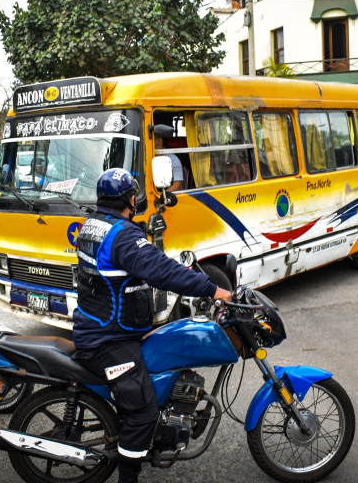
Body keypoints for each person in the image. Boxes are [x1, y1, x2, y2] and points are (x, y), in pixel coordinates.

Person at [72, 168, 232, 483]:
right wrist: (212, 289)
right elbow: (161, 270)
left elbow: (141, 263)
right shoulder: (123, 236)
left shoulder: (93, 225)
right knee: (144, 412)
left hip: (103, 328)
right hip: (106, 341)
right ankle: (128, 476)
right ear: (131, 198)